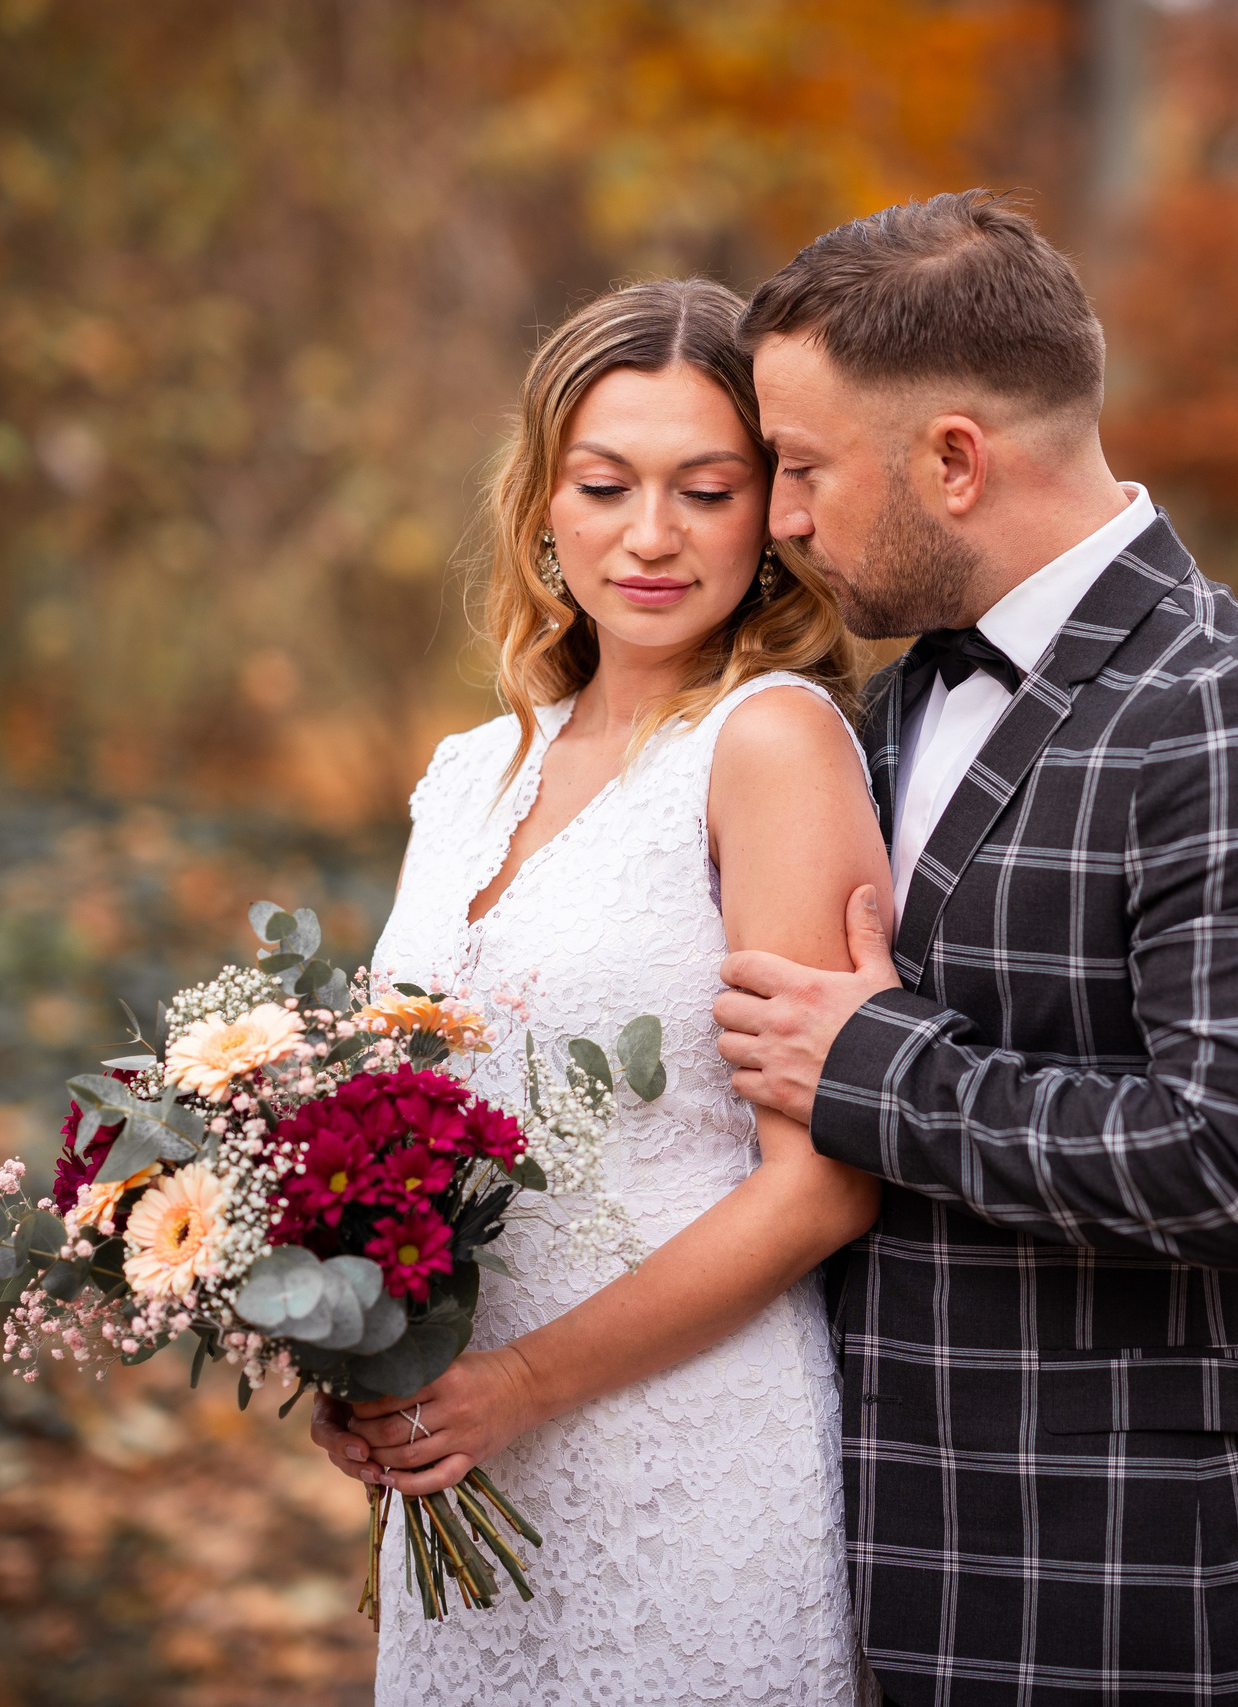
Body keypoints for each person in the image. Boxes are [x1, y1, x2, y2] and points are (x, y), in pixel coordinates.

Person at [711, 191, 1238, 1705]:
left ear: (954, 461)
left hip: (1138, 1593)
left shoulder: (1228, 704)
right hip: (890, 1572)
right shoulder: (888, 704)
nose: (784, 518)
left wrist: (877, 1066)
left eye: (806, 468)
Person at [310, 278, 888, 1705]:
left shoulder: (771, 746)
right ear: (543, 501)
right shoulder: (467, 773)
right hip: (466, 1469)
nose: (651, 536)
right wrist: (358, 1349)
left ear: (768, 514)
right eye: (607, 483)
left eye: (706, 489)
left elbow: (824, 1184)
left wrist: (522, 1388)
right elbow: (407, 1128)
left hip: (686, 1459)